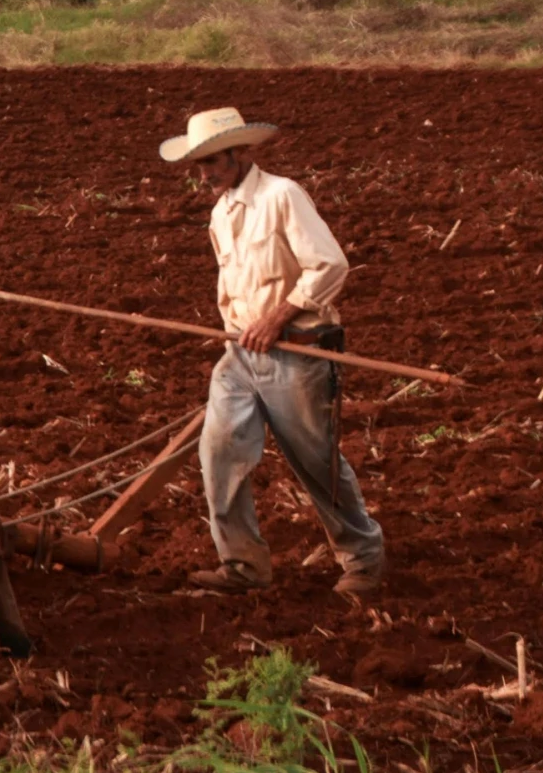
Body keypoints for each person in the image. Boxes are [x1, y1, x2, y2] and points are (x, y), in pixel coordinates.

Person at [158, 106, 386, 598]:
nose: (205, 174)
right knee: (218, 452)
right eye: (199, 166)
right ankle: (242, 566)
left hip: (298, 352)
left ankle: (363, 559)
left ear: (241, 154)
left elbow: (330, 265)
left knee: (315, 460)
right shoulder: (221, 213)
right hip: (239, 354)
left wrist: (277, 317)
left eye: (214, 162)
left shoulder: (282, 196)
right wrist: (238, 332)